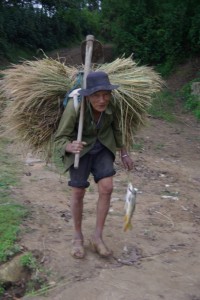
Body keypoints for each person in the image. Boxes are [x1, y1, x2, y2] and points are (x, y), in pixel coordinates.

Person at [54, 71, 133, 259]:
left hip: (104, 146)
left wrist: (124, 152)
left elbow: (117, 129)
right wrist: (69, 145)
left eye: (106, 94)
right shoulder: (76, 107)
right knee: (78, 191)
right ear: (88, 95)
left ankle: (97, 237)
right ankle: (77, 236)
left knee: (107, 187)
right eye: (97, 95)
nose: (102, 100)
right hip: (80, 150)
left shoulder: (112, 106)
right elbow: (59, 139)